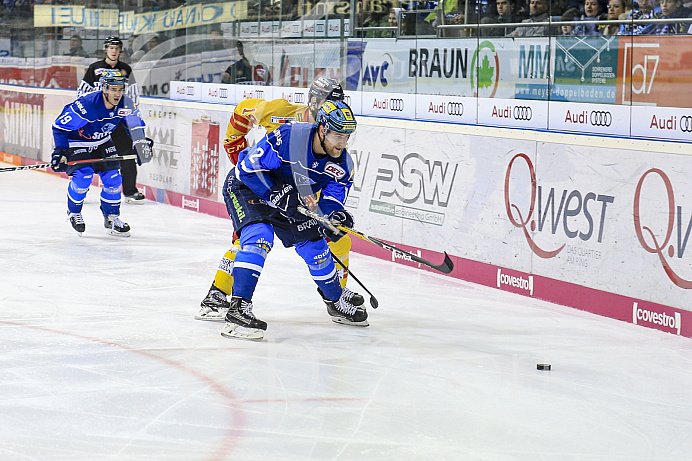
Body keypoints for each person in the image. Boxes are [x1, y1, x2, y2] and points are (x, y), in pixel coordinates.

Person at [196, 78, 355, 321]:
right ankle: (218, 294)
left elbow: (329, 184)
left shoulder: (335, 136)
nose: (332, 108)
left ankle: (336, 297)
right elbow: (243, 111)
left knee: (333, 241)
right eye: (327, 102)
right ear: (313, 102)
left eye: (337, 103)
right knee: (252, 238)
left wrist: (329, 214)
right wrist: (238, 152)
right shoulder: (283, 114)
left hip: (298, 193)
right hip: (259, 186)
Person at [216, 100, 367, 340]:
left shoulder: (343, 164)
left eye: (347, 136)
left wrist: (333, 216)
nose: (342, 143)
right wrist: (275, 192)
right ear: (322, 129)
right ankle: (238, 309)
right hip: (248, 188)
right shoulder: (289, 137)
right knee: (259, 238)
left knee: (316, 248)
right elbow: (247, 168)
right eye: (338, 135)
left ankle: (335, 300)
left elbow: (332, 198)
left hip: (291, 199)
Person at [51, 70, 154, 237]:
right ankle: (74, 212)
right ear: (104, 89)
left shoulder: (125, 104)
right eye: (113, 89)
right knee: (83, 176)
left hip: (102, 141)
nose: (117, 93)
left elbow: (134, 126)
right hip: (77, 142)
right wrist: (61, 150)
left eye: (120, 89)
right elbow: (59, 127)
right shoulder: (87, 105)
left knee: (114, 178)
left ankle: (112, 218)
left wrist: (140, 142)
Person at [77, 36, 146, 204]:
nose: (114, 51)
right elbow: (81, 94)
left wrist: (131, 119)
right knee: (88, 154)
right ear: (105, 49)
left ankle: (130, 191)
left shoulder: (126, 69)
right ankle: (81, 186)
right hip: (97, 123)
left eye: (117, 48)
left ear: (120, 51)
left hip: (118, 122)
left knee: (128, 154)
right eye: (111, 48)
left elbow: (133, 96)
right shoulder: (95, 68)